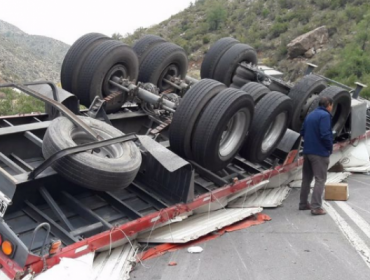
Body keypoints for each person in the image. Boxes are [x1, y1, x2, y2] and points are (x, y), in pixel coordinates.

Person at [299, 96, 333, 215]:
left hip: (307, 151)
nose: (331, 108)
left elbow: (302, 131)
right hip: (319, 153)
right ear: (328, 104)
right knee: (320, 179)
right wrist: (329, 147)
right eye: (331, 106)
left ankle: (303, 204)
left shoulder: (310, 115)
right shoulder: (325, 116)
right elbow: (325, 134)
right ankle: (316, 207)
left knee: (306, 179)